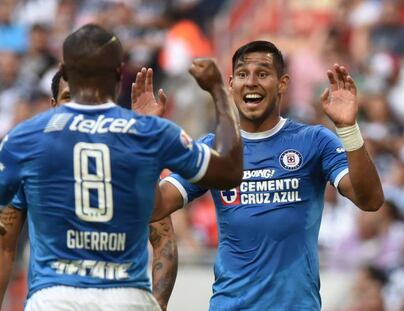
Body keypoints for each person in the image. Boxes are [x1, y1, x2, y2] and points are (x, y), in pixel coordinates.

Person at [0, 24, 243, 310]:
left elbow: (5, 236)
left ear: (65, 71)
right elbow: (229, 170)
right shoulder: (149, 133)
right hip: (126, 296)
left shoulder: (24, 138)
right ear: (119, 73)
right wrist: (218, 91)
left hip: (54, 298)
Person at [141, 40, 384, 310]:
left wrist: (348, 128)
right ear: (231, 84)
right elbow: (155, 207)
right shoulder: (213, 148)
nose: (251, 82)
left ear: (282, 83)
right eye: (243, 74)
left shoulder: (313, 140)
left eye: (263, 73)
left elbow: (370, 200)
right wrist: (148, 139)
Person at [0, 69, 178, 311]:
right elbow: (4, 246)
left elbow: (162, 238)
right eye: (67, 97)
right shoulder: (29, 158)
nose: (77, 108)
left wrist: (158, 304)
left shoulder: (130, 155)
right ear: (53, 106)